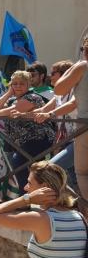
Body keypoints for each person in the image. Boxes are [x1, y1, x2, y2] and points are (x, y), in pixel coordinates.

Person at [0, 70, 56, 192]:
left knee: (18, 164)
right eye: (15, 83)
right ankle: (34, 195)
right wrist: (8, 93)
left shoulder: (32, 97)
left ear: (28, 85)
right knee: (34, 170)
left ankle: (25, 196)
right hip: (21, 142)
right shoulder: (12, 99)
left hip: (37, 139)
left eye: (22, 83)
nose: (18, 86)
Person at [55, 38, 88, 201]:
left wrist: (72, 68)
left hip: (85, 126)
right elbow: (75, 101)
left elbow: (59, 89)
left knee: (82, 173)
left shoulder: (82, 66)